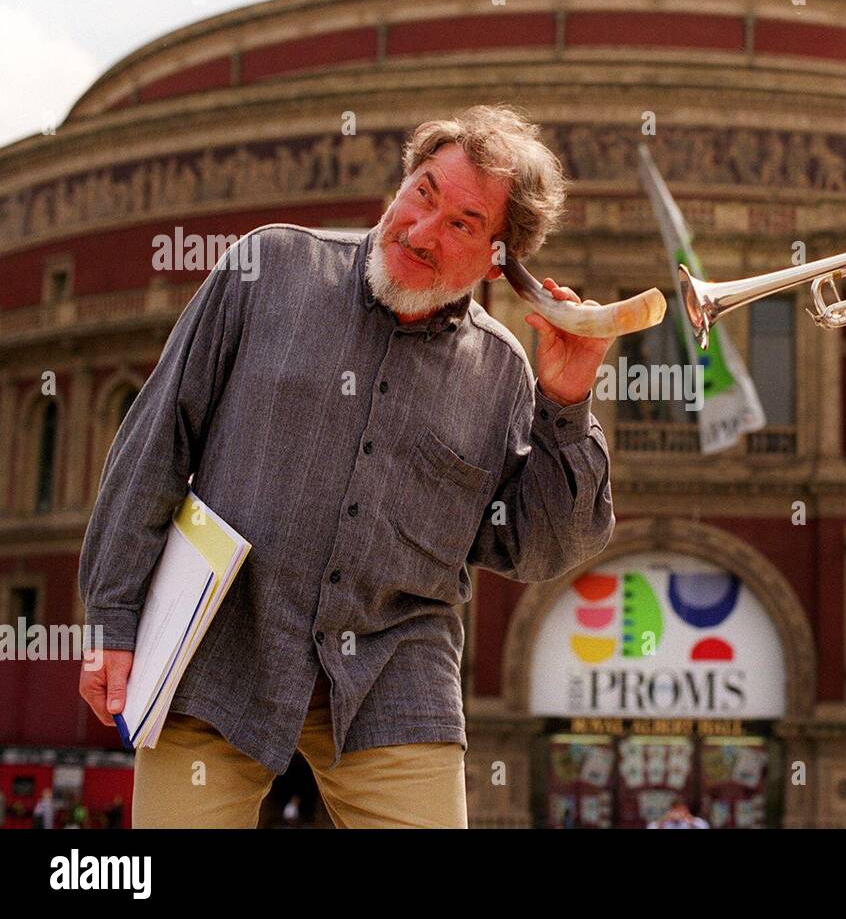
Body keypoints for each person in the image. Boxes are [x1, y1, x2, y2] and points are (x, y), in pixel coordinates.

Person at [78, 105, 617, 828]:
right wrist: (113, 618)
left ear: (499, 257)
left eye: (462, 223)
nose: (422, 232)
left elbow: (543, 546)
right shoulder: (267, 270)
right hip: (219, 647)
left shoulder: (501, 374)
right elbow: (155, 443)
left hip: (393, 678)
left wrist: (567, 401)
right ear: (400, 184)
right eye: (423, 193)